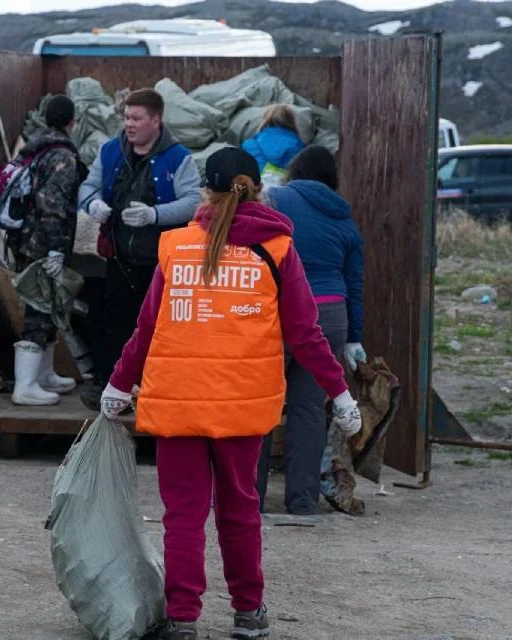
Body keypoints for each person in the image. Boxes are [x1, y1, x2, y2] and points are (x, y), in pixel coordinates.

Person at [100, 147, 362, 640]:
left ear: (206, 192)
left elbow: (147, 327)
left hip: (176, 402)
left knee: (183, 516)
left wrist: (118, 384)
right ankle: (247, 614)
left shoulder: (175, 246)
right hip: (243, 407)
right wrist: (341, 394)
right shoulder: (278, 249)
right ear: (257, 189)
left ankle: (182, 618)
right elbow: (306, 334)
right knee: (240, 510)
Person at [256, 145, 366, 519]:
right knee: (308, 411)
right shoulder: (345, 218)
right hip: (332, 315)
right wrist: (354, 338)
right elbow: (354, 283)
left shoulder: (276, 199)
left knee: (261, 404)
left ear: (295, 170)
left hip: (281, 310)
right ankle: (302, 502)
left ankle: (248, 498)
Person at [77, 88, 201, 410]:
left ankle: (155, 392)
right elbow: (88, 186)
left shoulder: (179, 158)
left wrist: (155, 215)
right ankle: (116, 390)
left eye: (136, 118)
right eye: (126, 117)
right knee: (116, 325)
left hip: (162, 263)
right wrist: (94, 204)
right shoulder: (109, 151)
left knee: (160, 328)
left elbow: (193, 202)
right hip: (119, 258)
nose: (128, 124)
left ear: (156, 120)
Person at [10, 95, 87, 406]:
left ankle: (44, 375)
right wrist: (56, 248)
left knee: (51, 304)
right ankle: (25, 385)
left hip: (25, 237)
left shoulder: (34, 146)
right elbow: (51, 205)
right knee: (39, 309)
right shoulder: (61, 156)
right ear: (72, 122)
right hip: (42, 241)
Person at [241, 104, 307, 188]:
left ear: (265, 121)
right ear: (292, 122)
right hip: (286, 194)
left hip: (256, 194)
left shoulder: (249, 145)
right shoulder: (302, 149)